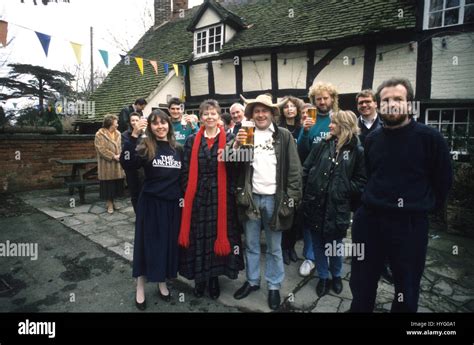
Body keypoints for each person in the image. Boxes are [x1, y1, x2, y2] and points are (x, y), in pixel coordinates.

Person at [349, 78, 453, 312]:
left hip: (409, 226)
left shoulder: (430, 138)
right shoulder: (372, 139)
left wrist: (420, 209)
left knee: (406, 289)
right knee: (361, 284)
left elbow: (443, 181)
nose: (391, 104)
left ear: (409, 104)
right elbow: (369, 175)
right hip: (370, 222)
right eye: (386, 100)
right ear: (379, 104)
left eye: (398, 99)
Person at [231, 94, 302, 310]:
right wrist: (236, 143)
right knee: (251, 245)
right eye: (256, 111)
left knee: (274, 247)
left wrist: (290, 199)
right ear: (251, 115)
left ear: (272, 113)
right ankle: (252, 282)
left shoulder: (284, 136)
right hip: (251, 199)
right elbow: (231, 164)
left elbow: (295, 170)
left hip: (274, 199)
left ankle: (273, 286)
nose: (261, 114)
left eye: (265, 111)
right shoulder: (245, 134)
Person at [178, 99, 244, 300]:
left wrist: (240, 147)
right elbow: (186, 169)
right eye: (206, 114)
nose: (209, 117)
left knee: (216, 235)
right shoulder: (191, 140)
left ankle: (214, 278)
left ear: (219, 116)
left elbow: (238, 167)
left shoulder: (231, 137)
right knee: (199, 237)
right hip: (197, 196)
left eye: (213, 113)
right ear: (201, 117)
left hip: (221, 196)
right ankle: (200, 279)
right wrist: (186, 192)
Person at [120, 110, 184, 311]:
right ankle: (140, 285)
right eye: (155, 123)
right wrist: (132, 136)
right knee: (146, 245)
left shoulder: (177, 149)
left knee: (166, 245)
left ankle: (162, 281)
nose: (160, 126)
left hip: (172, 205)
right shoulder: (145, 146)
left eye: (163, 122)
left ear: (169, 125)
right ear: (150, 127)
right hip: (150, 204)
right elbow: (127, 162)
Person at [302, 110, 366, 297]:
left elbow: (361, 181)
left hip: (338, 207)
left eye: (333, 123)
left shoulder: (357, 150)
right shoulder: (323, 144)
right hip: (315, 203)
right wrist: (306, 193)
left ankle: (336, 275)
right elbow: (306, 169)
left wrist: (341, 188)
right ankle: (323, 277)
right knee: (318, 244)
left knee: (335, 246)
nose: (329, 126)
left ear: (344, 126)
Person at [297, 82, 339, 277]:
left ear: (332, 99)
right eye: (318, 99)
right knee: (309, 220)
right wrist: (305, 132)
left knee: (332, 219)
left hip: (334, 180)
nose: (322, 102)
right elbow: (301, 151)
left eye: (325, 98)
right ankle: (310, 257)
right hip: (312, 181)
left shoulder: (338, 118)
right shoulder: (309, 119)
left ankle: (331, 260)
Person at [355, 89, 393, 284]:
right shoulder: (354, 125)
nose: (364, 105)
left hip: (381, 184)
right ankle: (362, 260)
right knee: (362, 226)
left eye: (367, 102)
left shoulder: (386, 124)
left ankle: (383, 264)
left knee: (384, 226)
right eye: (361, 103)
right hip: (360, 183)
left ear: (376, 103)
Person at [278, 96, 304, 265]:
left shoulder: (303, 127)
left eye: (292, 106)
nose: (289, 109)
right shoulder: (278, 128)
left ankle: (291, 247)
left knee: (296, 215)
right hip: (282, 174)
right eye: (286, 107)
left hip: (300, 174)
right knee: (284, 213)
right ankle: (283, 248)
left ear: (297, 109)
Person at [94, 114, 125, 214]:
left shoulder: (118, 134)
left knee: (115, 185)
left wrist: (120, 155)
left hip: (117, 164)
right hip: (106, 165)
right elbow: (100, 149)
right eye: (116, 122)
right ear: (110, 123)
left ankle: (113, 202)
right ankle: (109, 204)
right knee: (108, 185)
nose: (117, 124)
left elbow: (120, 146)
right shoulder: (100, 134)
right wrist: (112, 156)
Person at [121, 112, 142, 213]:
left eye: (136, 120)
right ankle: (138, 215)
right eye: (132, 120)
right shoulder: (125, 135)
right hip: (131, 169)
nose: (134, 122)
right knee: (134, 194)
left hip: (143, 168)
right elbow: (126, 151)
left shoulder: (145, 133)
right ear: (130, 122)